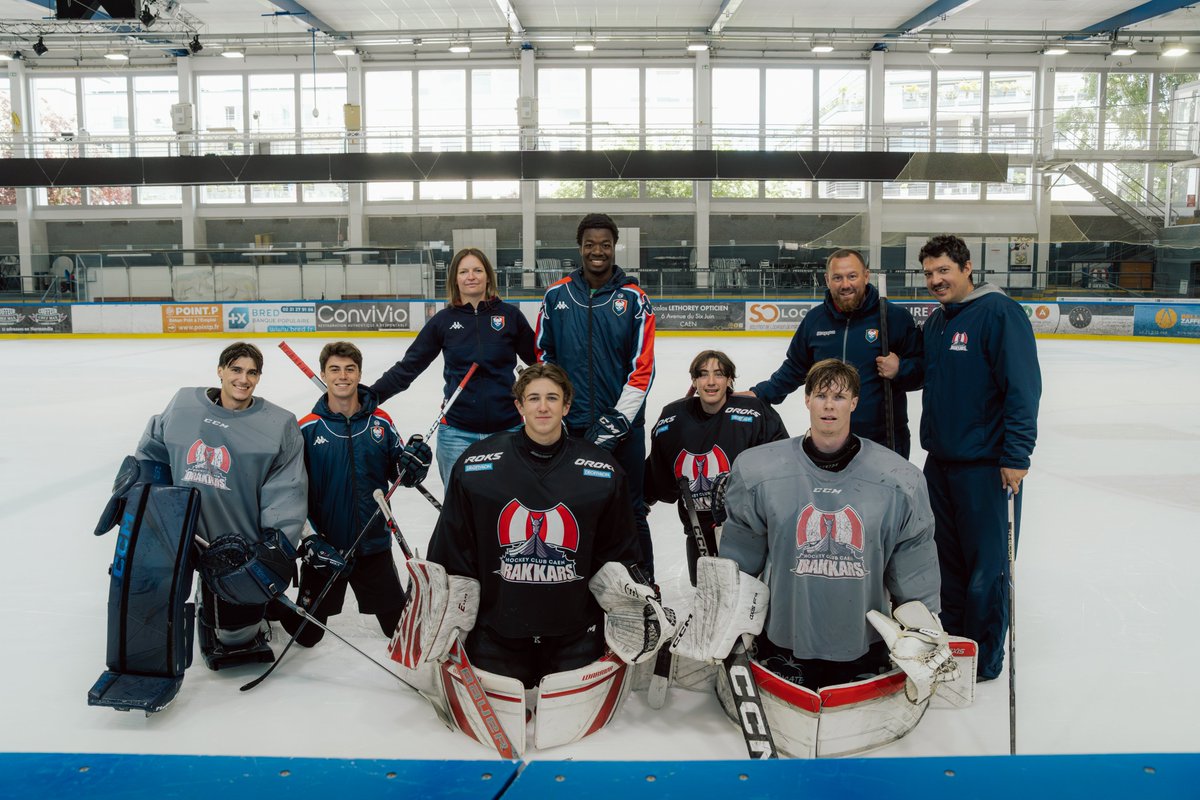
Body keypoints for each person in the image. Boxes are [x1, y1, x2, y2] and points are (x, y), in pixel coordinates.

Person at [135, 342, 308, 669]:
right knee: (152, 602)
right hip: (181, 532)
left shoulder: (279, 424)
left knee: (234, 639)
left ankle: (256, 607)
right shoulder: (184, 404)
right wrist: (137, 490)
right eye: (236, 369)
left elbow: (288, 487)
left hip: (237, 548)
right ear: (221, 370)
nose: (243, 379)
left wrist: (276, 544)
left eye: (252, 372)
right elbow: (154, 450)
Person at [919, 234, 1041, 681]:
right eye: (929, 273)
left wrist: (1016, 454)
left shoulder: (1000, 314)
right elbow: (932, 373)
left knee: (988, 569)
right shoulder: (938, 322)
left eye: (944, 270)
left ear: (967, 268)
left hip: (988, 467)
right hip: (941, 464)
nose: (936, 280)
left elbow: (1023, 389)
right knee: (946, 565)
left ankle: (985, 660)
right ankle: (954, 647)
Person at [282, 341, 430, 648]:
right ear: (323, 374)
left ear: (360, 373)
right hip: (326, 550)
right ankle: (270, 601)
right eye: (334, 369)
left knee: (397, 631)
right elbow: (293, 493)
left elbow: (401, 474)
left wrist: (416, 465)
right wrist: (310, 540)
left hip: (373, 544)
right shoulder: (307, 429)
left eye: (350, 369)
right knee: (306, 636)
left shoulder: (381, 422)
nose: (343, 376)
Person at [535, 213, 657, 578]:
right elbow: (544, 359)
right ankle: (576, 580)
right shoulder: (556, 295)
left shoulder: (634, 299)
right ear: (580, 247)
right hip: (570, 429)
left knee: (632, 508)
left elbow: (643, 368)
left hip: (625, 429)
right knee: (570, 505)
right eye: (590, 244)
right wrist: (559, 409)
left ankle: (645, 584)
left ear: (614, 247)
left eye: (605, 244)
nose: (597, 251)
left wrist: (617, 420)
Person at [371, 247, 536, 489]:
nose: (471, 276)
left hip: (508, 431)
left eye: (478, 270)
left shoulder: (510, 316)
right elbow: (409, 367)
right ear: (455, 279)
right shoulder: (443, 321)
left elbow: (540, 361)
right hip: (457, 434)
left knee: (507, 507)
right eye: (464, 271)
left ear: (488, 276)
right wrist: (371, 396)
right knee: (460, 511)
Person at [747, 248, 922, 457]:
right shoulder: (815, 320)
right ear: (827, 280)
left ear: (866, 276)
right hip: (829, 439)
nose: (845, 284)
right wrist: (758, 394)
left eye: (852, 276)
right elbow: (795, 368)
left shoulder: (894, 318)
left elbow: (922, 371)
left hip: (884, 439)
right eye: (837, 278)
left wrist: (900, 369)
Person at [644, 350, 788, 585]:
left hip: (746, 529)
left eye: (719, 374)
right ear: (694, 381)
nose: (711, 382)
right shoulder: (672, 418)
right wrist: (639, 500)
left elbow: (782, 464)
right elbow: (659, 474)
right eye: (703, 375)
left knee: (748, 595)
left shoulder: (755, 412)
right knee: (705, 593)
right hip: (698, 527)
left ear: (730, 380)